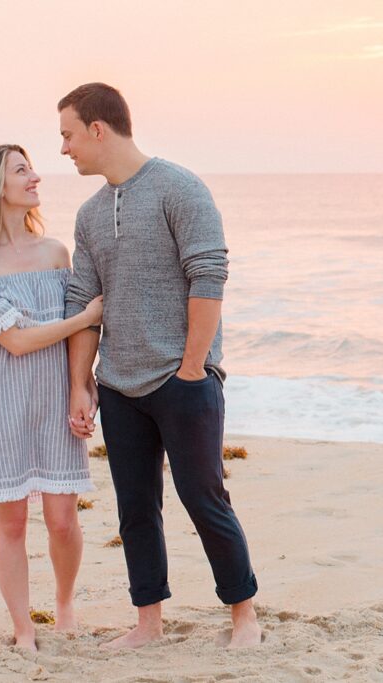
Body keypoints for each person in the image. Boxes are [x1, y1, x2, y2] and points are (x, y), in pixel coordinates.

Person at [59, 82, 262, 649]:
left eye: (68, 135)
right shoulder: (90, 213)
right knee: (135, 510)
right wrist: (82, 384)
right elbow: (83, 305)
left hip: (183, 379)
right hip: (118, 386)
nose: (64, 148)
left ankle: (243, 614)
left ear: (98, 129)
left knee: (204, 498)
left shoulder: (179, 187)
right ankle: (148, 622)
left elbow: (209, 275)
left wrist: (193, 368)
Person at [0, 144, 104, 651]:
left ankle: (63, 606)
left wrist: (84, 387)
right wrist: (85, 316)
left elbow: (79, 340)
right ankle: (22, 627)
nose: (35, 176)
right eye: (22, 170)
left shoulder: (56, 253)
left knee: (62, 518)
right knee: (11, 520)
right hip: (1, 404)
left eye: (30, 167)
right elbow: (13, 342)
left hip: (55, 401)